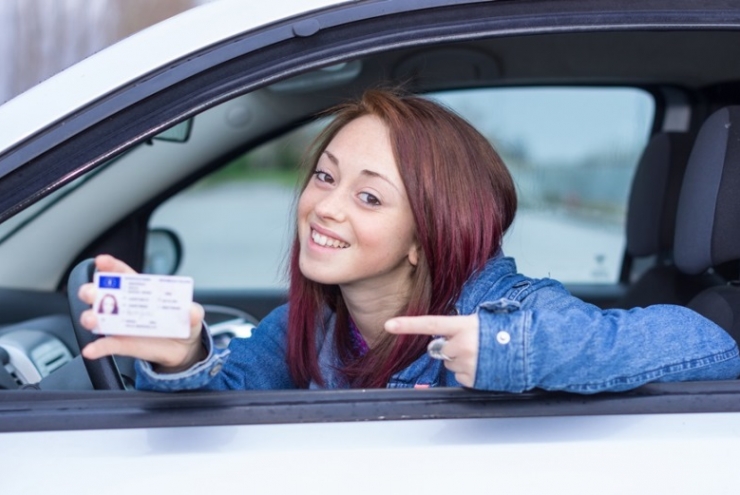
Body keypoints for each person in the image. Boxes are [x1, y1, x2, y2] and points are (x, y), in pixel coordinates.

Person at [77, 89, 740, 393]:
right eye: (324, 177)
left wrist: (510, 352)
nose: (323, 208)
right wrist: (183, 354)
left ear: (427, 233)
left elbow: (709, 344)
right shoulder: (309, 325)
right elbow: (232, 395)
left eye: (368, 196)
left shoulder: (504, 308)